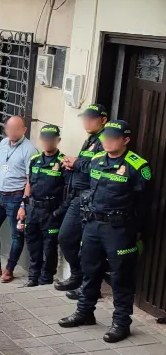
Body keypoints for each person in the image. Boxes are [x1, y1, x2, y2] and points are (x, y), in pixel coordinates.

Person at [58, 121, 151, 343]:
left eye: (113, 137)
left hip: (119, 230)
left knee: (121, 277)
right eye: (105, 137)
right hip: (92, 226)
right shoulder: (97, 161)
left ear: (125, 140)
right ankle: (85, 312)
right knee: (90, 270)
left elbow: (146, 204)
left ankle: (121, 323)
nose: (107, 141)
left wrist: (138, 231)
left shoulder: (138, 166)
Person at [0, 116, 38, 282]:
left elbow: (30, 180)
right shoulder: (3, 144)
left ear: (24, 130)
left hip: (16, 197)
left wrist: (23, 204)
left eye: (16, 129)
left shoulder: (30, 150)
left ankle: (9, 269)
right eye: (9, 128)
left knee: (16, 235)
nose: (11, 132)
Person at [56, 104, 109, 296]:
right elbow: (87, 164)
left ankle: (86, 286)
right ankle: (78, 275)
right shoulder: (91, 139)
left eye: (91, 118)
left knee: (88, 246)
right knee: (65, 237)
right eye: (85, 118)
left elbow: (100, 168)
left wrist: (77, 162)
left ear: (103, 120)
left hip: (91, 199)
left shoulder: (106, 140)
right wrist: (72, 164)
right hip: (77, 196)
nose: (86, 122)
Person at [18, 125, 69, 287]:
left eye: (51, 139)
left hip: (51, 211)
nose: (47, 142)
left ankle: (46, 276)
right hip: (33, 208)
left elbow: (69, 190)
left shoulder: (64, 162)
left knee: (49, 246)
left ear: (58, 140)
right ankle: (33, 276)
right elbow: (29, 184)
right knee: (33, 243)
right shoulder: (35, 160)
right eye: (45, 139)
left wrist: (58, 212)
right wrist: (23, 205)